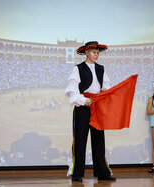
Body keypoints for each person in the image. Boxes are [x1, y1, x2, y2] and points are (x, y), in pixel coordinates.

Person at [65, 41, 116, 182]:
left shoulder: (101, 69)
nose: (96, 55)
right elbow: (72, 89)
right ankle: (76, 173)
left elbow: (106, 85)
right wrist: (83, 101)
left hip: (97, 107)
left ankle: (102, 172)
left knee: (99, 138)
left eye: (98, 52)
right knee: (80, 139)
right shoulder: (78, 68)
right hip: (82, 107)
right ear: (86, 52)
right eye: (94, 52)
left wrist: (104, 91)